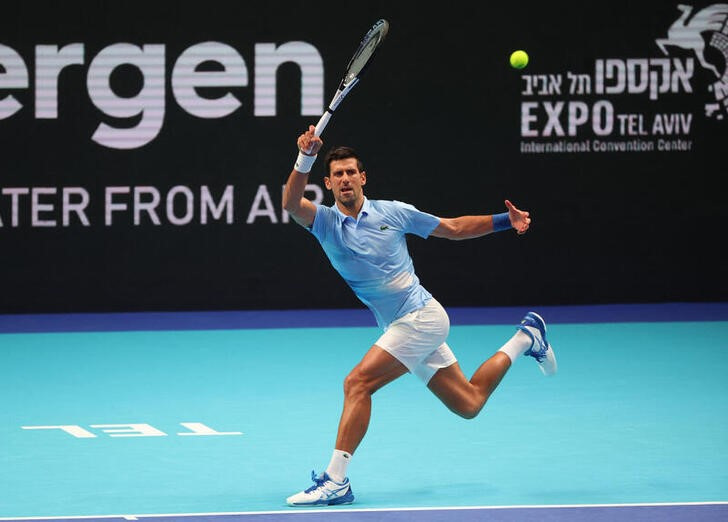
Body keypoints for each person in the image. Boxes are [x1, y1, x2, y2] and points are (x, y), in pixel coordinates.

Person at [281, 125, 557, 507]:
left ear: (363, 178)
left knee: (357, 383)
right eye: (338, 175)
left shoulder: (392, 213)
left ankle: (336, 480)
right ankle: (527, 337)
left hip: (421, 317)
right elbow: (292, 203)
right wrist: (305, 158)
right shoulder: (325, 223)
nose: (345, 179)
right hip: (399, 325)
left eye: (351, 173)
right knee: (469, 403)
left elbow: (453, 228)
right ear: (327, 183)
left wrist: (502, 221)